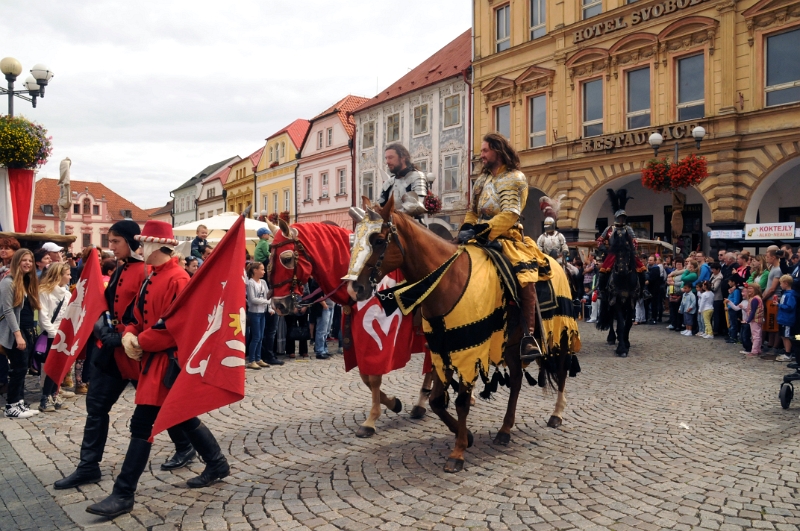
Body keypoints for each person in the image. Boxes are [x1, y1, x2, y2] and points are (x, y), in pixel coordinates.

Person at [86, 220, 229, 518]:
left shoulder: (178, 279)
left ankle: (123, 493)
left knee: (142, 425)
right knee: (182, 417)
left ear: (156, 245)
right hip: (152, 359)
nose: (140, 247)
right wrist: (129, 333)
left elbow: (172, 327)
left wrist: (140, 340)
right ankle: (216, 463)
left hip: (166, 360)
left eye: (143, 243)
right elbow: (138, 314)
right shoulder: (153, 275)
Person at [55, 220, 197, 490]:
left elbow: (150, 316)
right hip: (113, 353)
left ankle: (189, 448)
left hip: (140, 353)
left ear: (134, 241)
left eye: (116, 241)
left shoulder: (153, 271)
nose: (111, 246)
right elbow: (111, 307)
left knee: (162, 408)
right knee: (96, 408)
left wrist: (132, 337)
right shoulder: (121, 268)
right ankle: (88, 466)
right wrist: (102, 329)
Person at [456, 132, 552, 361]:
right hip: (479, 236)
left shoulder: (515, 177)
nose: (482, 155)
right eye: (481, 151)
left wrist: (483, 231)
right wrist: (466, 229)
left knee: (525, 274)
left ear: (498, 151)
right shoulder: (481, 180)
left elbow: (510, 213)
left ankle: (529, 336)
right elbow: (473, 210)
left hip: (507, 238)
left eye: (485, 150)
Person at [0, 249, 40, 418]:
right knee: (18, 368)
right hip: (15, 332)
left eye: (30, 261)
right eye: (24, 260)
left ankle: (19, 403)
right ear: (17, 261)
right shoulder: (8, 282)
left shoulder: (25, 281)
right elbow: (8, 310)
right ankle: (11, 406)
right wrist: (17, 334)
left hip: (26, 330)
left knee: (23, 368)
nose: (28, 263)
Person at [595, 189, 651, 300]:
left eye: (623, 218)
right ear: (616, 217)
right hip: (612, 253)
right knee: (602, 272)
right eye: (620, 218)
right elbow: (599, 240)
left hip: (627, 253)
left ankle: (643, 290)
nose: (621, 220)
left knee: (642, 270)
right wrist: (603, 249)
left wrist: (631, 249)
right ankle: (601, 290)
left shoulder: (628, 229)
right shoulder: (609, 228)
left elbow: (635, 241)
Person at [37, 262, 72, 412]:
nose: (70, 277)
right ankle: (45, 398)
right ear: (59, 275)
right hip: (52, 335)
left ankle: (54, 394)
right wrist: (53, 333)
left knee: (60, 367)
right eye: (68, 274)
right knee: (51, 367)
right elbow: (43, 317)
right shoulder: (44, 292)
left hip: (63, 335)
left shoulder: (67, 294)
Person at [378, 143, 428, 216]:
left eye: (391, 157)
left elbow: (417, 205)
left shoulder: (416, 176)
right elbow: (381, 205)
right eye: (386, 158)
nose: (387, 162)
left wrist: (392, 216)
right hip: (391, 225)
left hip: (412, 224)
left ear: (403, 158)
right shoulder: (389, 182)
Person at [246, 262, 270, 370]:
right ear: (255, 270)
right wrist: (266, 302)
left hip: (262, 312)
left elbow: (268, 295)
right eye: (261, 269)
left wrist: (270, 307)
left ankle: (258, 358)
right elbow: (252, 299)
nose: (263, 272)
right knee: (255, 337)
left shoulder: (263, 282)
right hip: (254, 312)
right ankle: (251, 360)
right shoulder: (250, 283)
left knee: (260, 337)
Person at [776, 275, 797, 362]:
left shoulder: (791, 294)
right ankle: (786, 351)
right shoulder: (786, 294)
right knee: (783, 335)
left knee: (786, 336)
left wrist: (779, 305)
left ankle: (788, 353)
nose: (780, 285)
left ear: (786, 283)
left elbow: (790, 307)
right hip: (782, 318)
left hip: (787, 319)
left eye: (781, 283)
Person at [741, 283, 764, 358]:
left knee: (755, 336)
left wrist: (748, 320)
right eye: (749, 288)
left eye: (751, 288)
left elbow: (753, 311)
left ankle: (754, 351)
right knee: (758, 335)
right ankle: (758, 349)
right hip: (757, 319)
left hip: (755, 319)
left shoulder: (755, 299)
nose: (749, 290)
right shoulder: (757, 298)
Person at [724, 274, 745, 344]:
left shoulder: (736, 291)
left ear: (733, 282)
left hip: (733, 309)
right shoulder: (732, 290)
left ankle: (733, 337)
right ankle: (731, 336)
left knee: (733, 324)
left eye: (729, 281)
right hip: (729, 309)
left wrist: (729, 306)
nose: (728, 283)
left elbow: (736, 301)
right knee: (730, 323)